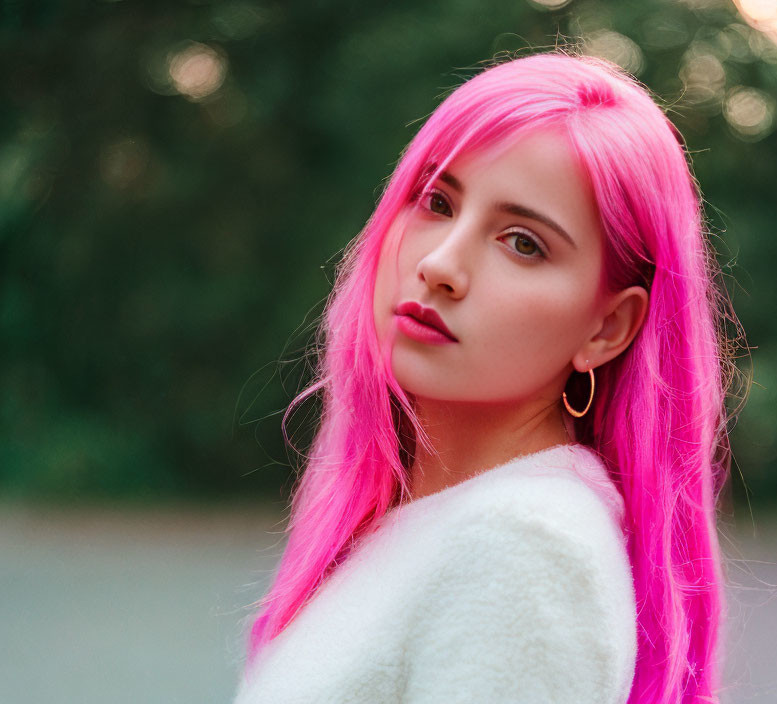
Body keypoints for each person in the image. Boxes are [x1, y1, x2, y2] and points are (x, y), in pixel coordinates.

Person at [233, 50, 744, 704]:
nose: (441, 265)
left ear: (607, 328)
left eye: (523, 242)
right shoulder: (433, 522)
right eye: (437, 201)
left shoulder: (523, 546)